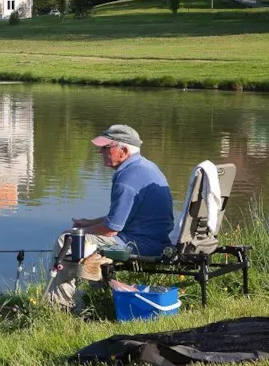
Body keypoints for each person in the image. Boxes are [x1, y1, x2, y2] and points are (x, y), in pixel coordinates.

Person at [45, 124, 174, 312]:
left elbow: (111, 229)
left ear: (123, 150)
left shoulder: (127, 178)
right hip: (153, 238)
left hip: (139, 244)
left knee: (67, 240)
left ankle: (59, 305)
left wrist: (79, 232)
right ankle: (99, 298)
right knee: (79, 239)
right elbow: (123, 217)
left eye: (106, 148)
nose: (100, 152)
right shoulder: (144, 167)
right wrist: (90, 223)